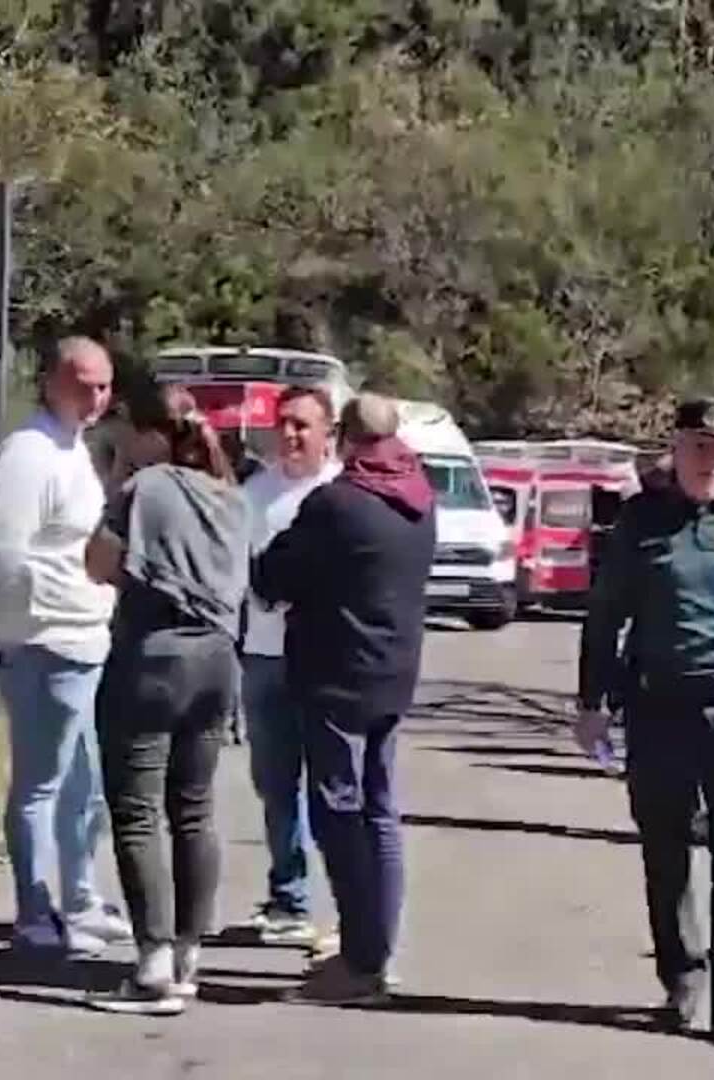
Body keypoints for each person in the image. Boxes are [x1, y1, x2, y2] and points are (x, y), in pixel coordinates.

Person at [576, 396, 714, 1045]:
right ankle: (681, 977)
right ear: (675, 447)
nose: (710, 459)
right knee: (664, 848)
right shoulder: (641, 523)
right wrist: (592, 703)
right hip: (657, 705)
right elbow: (605, 617)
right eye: (699, 445)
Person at [253, 393, 437, 1005]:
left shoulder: (337, 502)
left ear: (347, 439)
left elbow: (273, 577)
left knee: (338, 812)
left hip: (336, 674)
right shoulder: (419, 497)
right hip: (393, 672)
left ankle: (360, 961)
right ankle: (380, 948)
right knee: (380, 811)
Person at [82, 386, 249, 1014]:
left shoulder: (145, 489)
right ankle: (187, 955)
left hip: (153, 656)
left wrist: (122, 480)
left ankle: (151, 962)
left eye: (129, 431)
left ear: (154, 434)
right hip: (217, 660)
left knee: (137, 809)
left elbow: (98, 565)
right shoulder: (230, 497)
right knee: (195, 807)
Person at [0, 337, 131, 956]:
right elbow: (2, 550)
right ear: (52, 381)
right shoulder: (28, 454)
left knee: (83, 781)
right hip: (40, 637)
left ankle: (81, 898)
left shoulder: (74, 450)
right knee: (39, 783)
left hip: (85, 636)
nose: (97, 397)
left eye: (105, 385)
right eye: (84, 383)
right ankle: (35, 911)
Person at [237, 386, 341, 945]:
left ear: (329, 431)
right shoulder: (257, 492)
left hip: (324, 663)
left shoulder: (341, 494)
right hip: (263, 657)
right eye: (284, 424)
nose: (292, 435)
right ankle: (289, 896)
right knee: (275, 784)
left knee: (332, 788)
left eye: (303, 424)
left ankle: (347, 904)